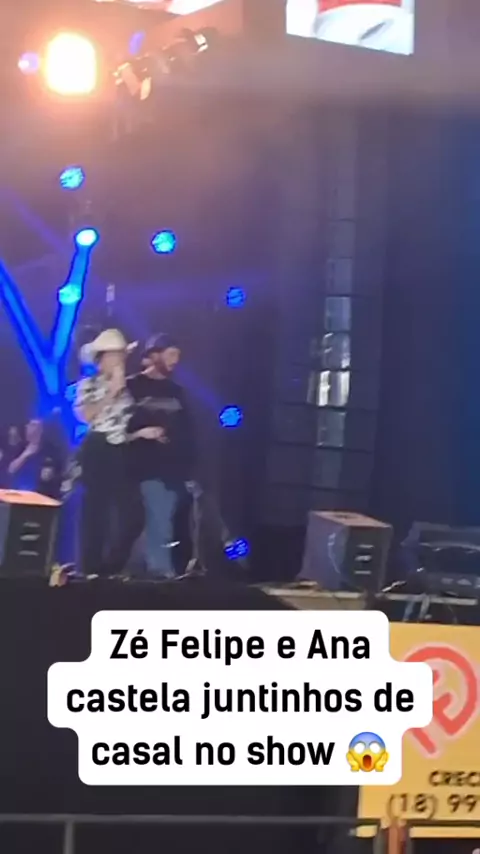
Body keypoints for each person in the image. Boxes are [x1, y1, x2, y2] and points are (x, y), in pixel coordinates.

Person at [74, 329, 145, 576]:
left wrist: (139, 434)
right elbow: (86, 415)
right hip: (97, 447)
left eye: (121, 355)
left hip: (121, 450)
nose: (119, 360)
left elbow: (122, 424)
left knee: (134, 514)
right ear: (102, 358)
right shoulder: (89, 384)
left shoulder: (129, 388)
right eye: (114, 355)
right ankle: (90, 569)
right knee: (95, 511)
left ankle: (109, 567)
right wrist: (111, 392)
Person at [127, 334, 195, 578]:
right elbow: (116, 428)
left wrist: (188, 472)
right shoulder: (132, 387)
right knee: (143, 523)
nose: (176, 360)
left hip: (169, 472)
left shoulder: (178, 392)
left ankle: (157, 572)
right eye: (171, 354)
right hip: (136, 467)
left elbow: (188, 434)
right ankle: (156, 572)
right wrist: (142, 433)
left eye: (178, 355)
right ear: (155, 354)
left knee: (162, 523)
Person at [7, 419, 63, 499]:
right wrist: (25, 455)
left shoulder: (50, 450)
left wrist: (50, 474)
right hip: (18, 494)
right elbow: (11, 469)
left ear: (41, 429)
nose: (29, 428)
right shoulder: (20, 446)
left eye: (34, 425)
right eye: (29, 425)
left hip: (39, 495)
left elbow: (53, 472)